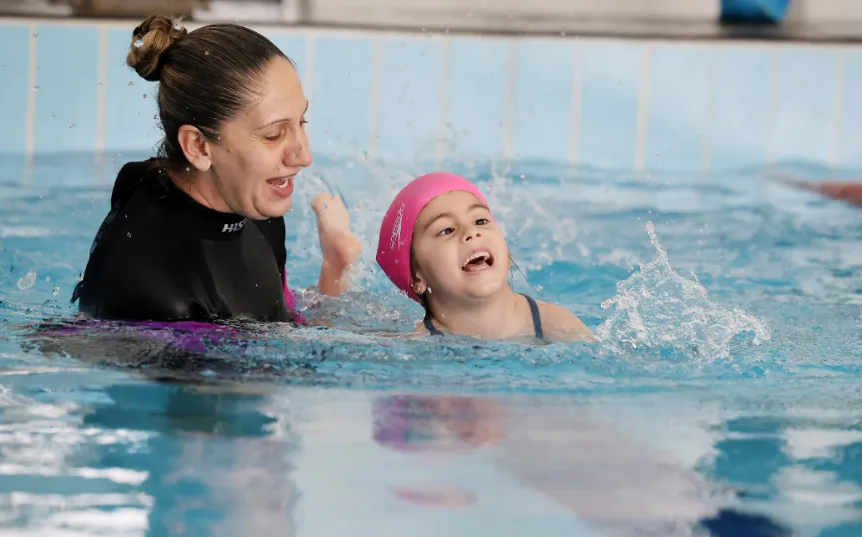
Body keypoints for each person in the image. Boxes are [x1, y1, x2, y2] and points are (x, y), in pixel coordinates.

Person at [71, 16, 361, 323]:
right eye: (273, 135)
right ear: (198, 147)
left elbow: (287, 320)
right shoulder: (160, 303)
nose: (304, 156)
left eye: (301, 122)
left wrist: (335, 267)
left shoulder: (252, 205)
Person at [375, 172, 595, 342]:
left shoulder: (551, 322)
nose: (471, 233)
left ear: (507, 255)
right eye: (447, 230)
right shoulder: (418, 347)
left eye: (480, 221)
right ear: (417, 278)